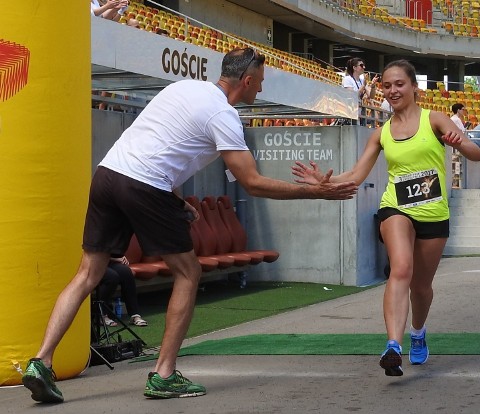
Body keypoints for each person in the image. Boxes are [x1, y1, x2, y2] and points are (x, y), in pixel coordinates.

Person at [21, 47, 358, 403]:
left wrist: (177, 201)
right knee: (188, 272)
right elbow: (252, 183)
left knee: (87, 274)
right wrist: (316, 193)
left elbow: (162, 145)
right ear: (245, 81)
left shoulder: (182, 88)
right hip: (144, 184)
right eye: (259, 83)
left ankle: (41, 361)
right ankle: (163, 374)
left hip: (108, 175)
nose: (260, 90)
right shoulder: (223, 116)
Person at [293, 59, 480, 377]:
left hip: (434, 212)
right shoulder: (380, 134)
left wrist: (459, 143)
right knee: (401, 269)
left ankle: (418, 334)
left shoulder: (435, 120)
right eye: (387, 85)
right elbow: (355, 174)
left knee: (421, 286)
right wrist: (325, 182)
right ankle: (393, 345)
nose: (392, 90)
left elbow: (476, 154)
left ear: (414, 87)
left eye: (399, 84)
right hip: (396, 207)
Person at [96, 256, 147, 327]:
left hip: (107, 261)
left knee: (126, 272)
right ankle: (102, 315)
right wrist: (115, 258)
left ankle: (134, 314)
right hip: (93, 263)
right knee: (112, 277)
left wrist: (120, 257)